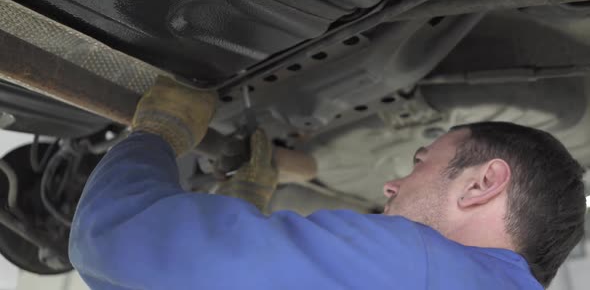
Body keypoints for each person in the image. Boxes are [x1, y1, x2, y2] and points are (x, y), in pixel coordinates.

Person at [69, 77, 587, 289]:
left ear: (482, 184)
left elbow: (115, 237)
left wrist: (158, 135)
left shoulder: (417, 265)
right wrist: (246, 202)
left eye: (420, 160)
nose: (390, 184)